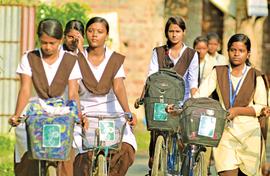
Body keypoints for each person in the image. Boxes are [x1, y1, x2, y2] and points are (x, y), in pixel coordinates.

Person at [8, 18, 82, 176]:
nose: (48, 47)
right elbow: (25, 89)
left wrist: (78, 115)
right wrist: (17, 114)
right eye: (44, 42)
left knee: (69, 149)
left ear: (60, 40)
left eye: (52, 43)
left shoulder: (71, 60)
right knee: (24, 141)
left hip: (62, 112)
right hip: (35, 110)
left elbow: (73, 92)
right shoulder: (28, 58)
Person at [195, 33, 267, 176]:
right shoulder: (218, 72)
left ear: (248, 54)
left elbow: (261, 107)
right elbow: (199, 95)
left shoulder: (255, 76)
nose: (236, 54)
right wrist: (183, 107)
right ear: (227, 51)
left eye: (241, 51)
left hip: (249, 135)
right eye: (233, 50)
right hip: (225, 133)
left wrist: (237, 110)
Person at [73, 16, 137, 176]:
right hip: (85, 113)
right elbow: (73, 91)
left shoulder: (113, 59)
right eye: (90, 31)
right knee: (77, 152)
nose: (94, 35)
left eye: (100, 32)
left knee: (125, 148)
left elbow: (118, 87)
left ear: (106, 35)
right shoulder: (76, 58)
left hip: (111, 113)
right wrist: (79, 114)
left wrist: (128, 112)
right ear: (85, 33)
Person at [141, 16, 199, 174]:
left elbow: (193, 82)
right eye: (171, 31)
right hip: (161, 99)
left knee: (182, 140)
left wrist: (193, 101)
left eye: (177, 31)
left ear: (184, 32)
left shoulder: (191, 54)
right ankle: (154, 164)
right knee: (156, 133)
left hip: (182, 101)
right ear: (166, 33)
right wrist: (144, 94)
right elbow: (151, 76)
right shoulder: (158, 52)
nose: (174, 34)